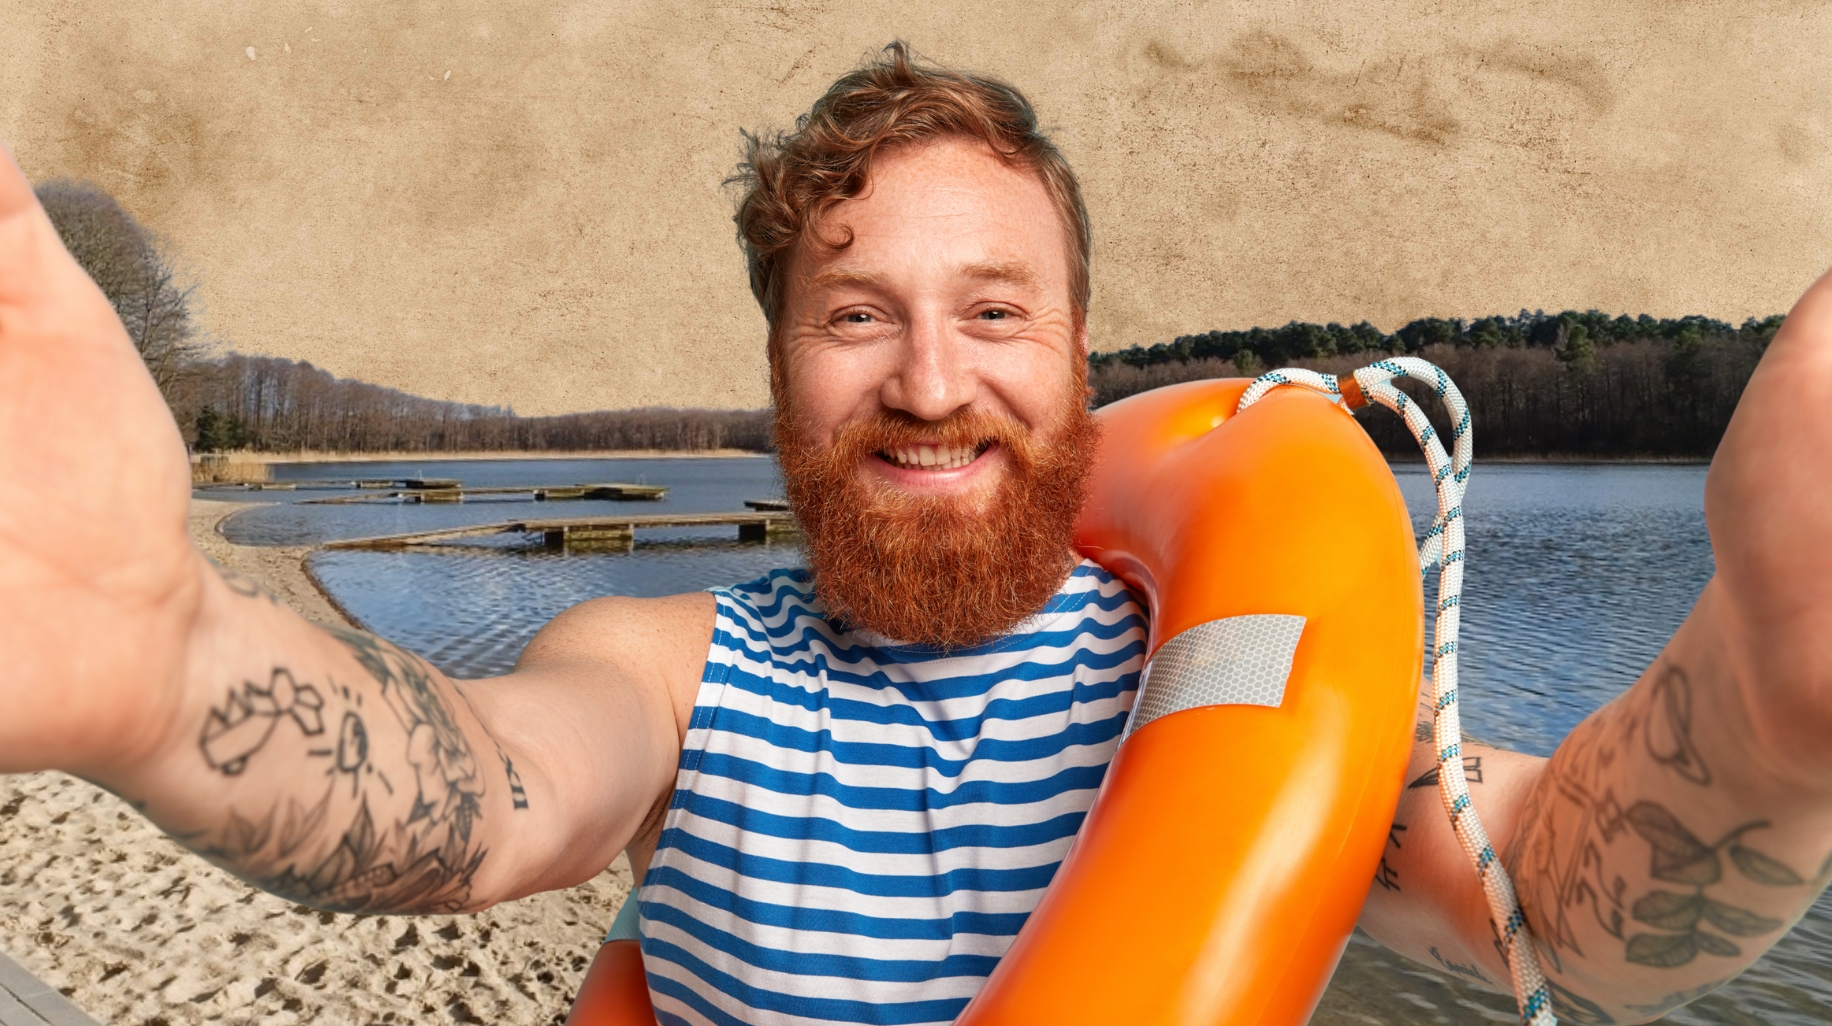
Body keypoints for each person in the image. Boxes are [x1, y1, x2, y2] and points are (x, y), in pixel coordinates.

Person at [2, 41, 1829, 1026]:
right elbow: (483, 794)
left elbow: (1565, 906)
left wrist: (1767, 702)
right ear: (781, 372)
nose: (933, 382)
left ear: (1085, 359)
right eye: (857, 313)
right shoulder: (676, 669)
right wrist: (170, 664)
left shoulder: (1233, 680)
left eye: (997, 311)